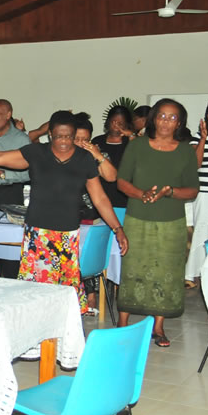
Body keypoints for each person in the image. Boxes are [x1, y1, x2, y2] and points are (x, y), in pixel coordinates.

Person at [0, 110, 128, 313]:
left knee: (64, 296)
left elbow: (100, 198)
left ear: (74, 135)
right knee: (35, 294)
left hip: (67, 237)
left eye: (68, 136)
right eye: (58, 136)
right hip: (38, 236)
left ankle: (60, 337)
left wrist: (117, 228)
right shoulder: (37, 154)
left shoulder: (84, 159)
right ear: (50, 135)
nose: (64, 141)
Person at [116, 99, 199, 347]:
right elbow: (121, 181)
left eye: (172, 117)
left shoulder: (185, 151)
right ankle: (122, 324)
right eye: (161, 116)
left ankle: (158, 327)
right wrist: (141, 194)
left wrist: (170, 192)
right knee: (133, 270)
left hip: (171, 222)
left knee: (166, 274)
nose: (166, 121)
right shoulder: (137, 146)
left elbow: (193, 190)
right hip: (137, 219)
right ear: (153, 119)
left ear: (180, 123)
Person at [73, 112, 118, 313]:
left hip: (92, 213)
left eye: (85, 139)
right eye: (77, 139)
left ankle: (90, 293)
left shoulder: (96, 155)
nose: (81, 143)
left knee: (88, 251)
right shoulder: (64, 155)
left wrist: (97, 155)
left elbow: (111, 177)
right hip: (69, 212)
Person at [184, 100, 208, 289]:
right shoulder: (197, 138)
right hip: (204, 193)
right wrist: (204, 139)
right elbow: (195, 164)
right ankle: (192, 274)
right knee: (201, 233)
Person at [91, 105, 133, 209]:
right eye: (113, 122)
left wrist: (131, 136)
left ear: (127, 125)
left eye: (120, 123)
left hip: (124, 198)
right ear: (108, 122)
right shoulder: (98, 141)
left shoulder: (131, 142)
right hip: (102, 196)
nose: (116, 126)